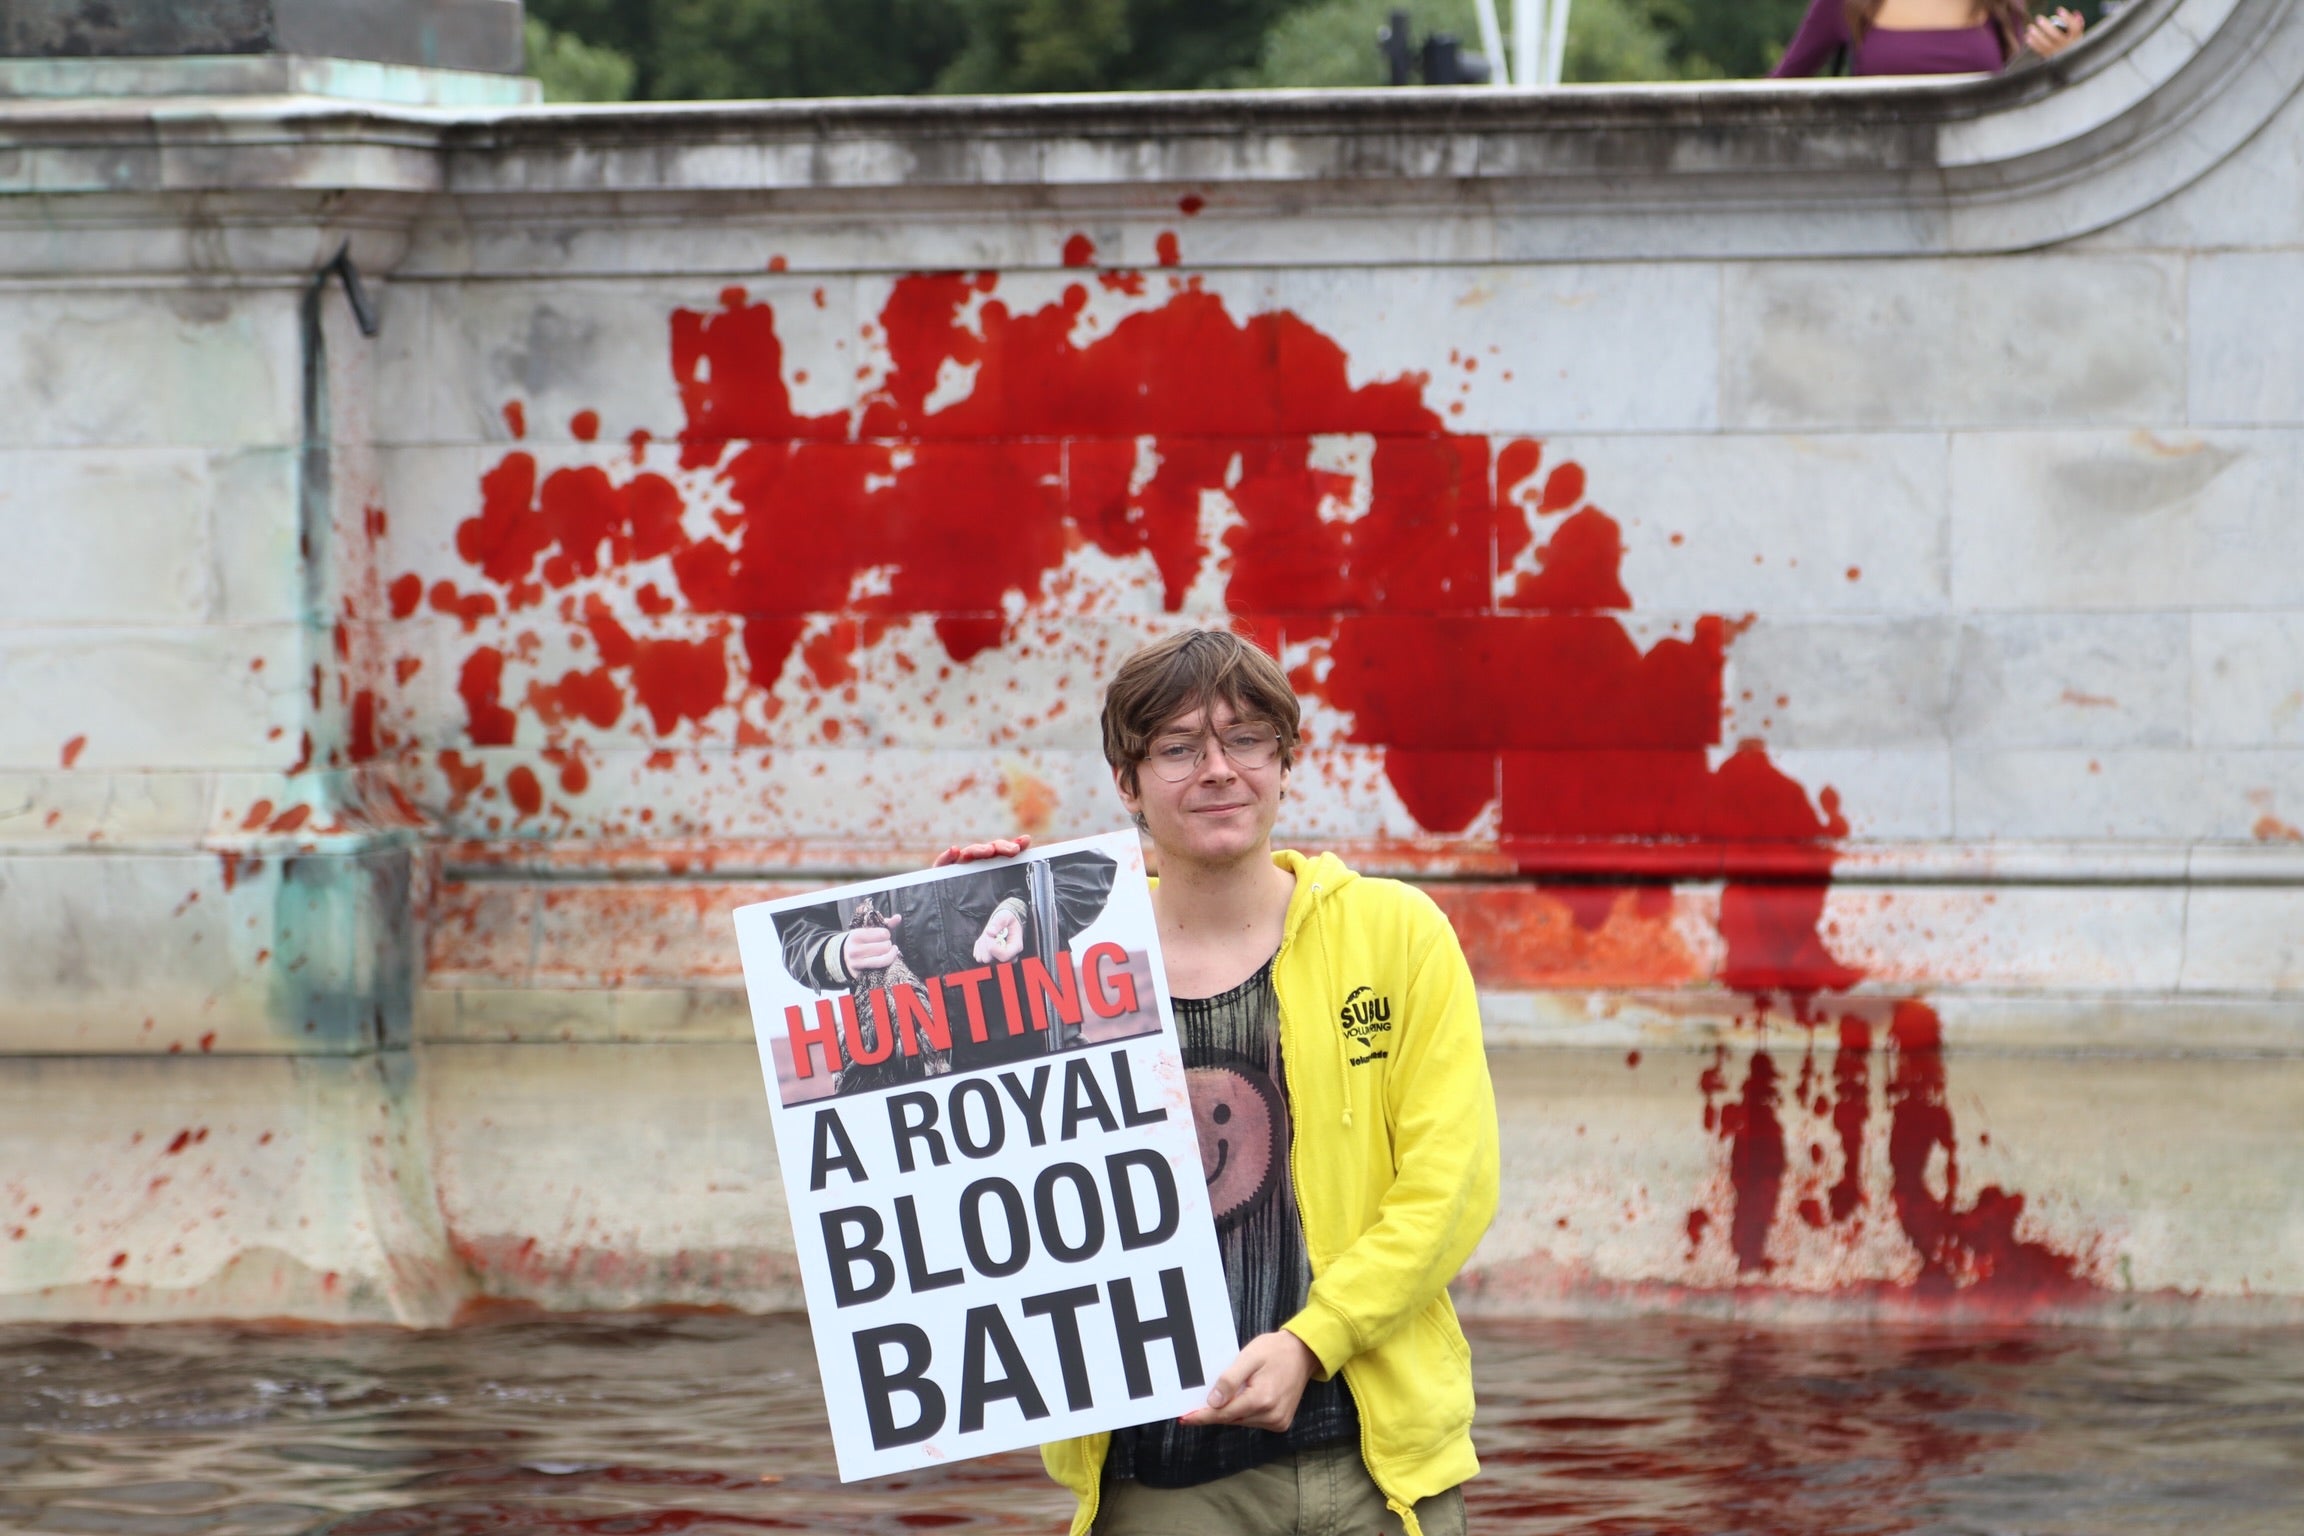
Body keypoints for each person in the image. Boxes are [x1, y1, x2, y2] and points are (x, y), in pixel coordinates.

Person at [946, 629, 1498, 1536]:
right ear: (1126, 782)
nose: (1217, 770)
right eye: (1176, 747)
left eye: (1245, 740)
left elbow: (1450, 1189)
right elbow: (969, 1177)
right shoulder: (1067, 969)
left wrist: (1312, 1344)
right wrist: (954, 946)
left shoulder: (1397, 935)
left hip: (1376, 1464)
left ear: (1283, 763)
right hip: (1161, 1479)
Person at [773, 850, 1116, 1087]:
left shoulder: (1019, 782)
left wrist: (1023, 911)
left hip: (1037, 1058)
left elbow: (1085, 870)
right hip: (896, 1081)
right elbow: (797, 929)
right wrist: (836, 952)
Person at [1770, 0, 2086, 77]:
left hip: (1978, 196)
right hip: (1878, 195)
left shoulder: (1998, 5)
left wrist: (2065, 60)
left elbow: (2018, 100)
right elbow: (1772, 97)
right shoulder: (1845, 4)